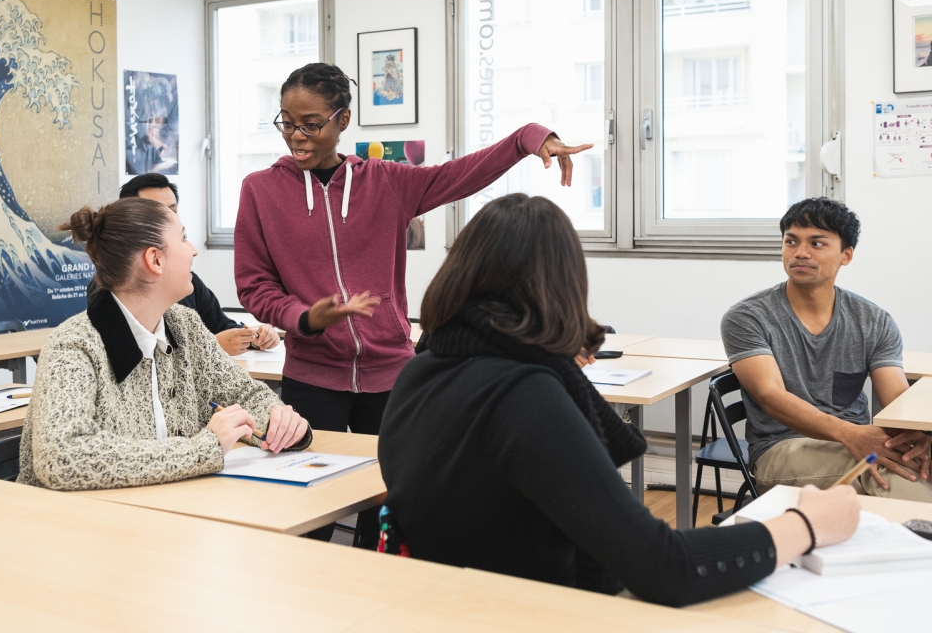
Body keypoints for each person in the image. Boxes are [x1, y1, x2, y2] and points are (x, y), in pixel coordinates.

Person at [377, 194, 861, 606]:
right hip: (534, 610)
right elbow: (663, 568)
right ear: (563, 283)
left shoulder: (422, 369)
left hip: (445, 601)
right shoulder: (525, 394)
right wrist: (805, 524)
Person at [234, 61, 593, 547]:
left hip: (391, 375)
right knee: (307, 512)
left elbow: (463, 174)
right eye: (287, 122)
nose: (296, 136)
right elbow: (254, 285)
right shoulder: (259, 190)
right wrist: (304, 318)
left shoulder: (386, 182)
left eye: (311, 124)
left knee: (391, 502)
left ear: (343, 120)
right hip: (311, 376)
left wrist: (531, 138)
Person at [18, 197, 311, 490]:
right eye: (183, 238)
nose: (194, 250)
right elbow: (61, 458)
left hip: (165, 514)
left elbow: (244, 393)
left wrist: (279, 420)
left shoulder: (185, 324)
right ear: (155, 260)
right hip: (76, 526)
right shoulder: (73, 345)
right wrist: (204, 448)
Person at [723, 198, 932, 501]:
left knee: (918, 462)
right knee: (899, 473)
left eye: (817, 243)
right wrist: (851, 435)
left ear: (846, 255)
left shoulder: (873, 320)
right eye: (791, 241)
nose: (800, 253)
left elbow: (896, 399)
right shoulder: (748, 317)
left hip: (858, 441)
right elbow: (770, 396)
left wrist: (920, 439)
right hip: (782, 449)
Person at [88, 173, 279, 357]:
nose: (168, 219)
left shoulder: (186, 288)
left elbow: (221, 325)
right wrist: (212, 345)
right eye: (156, 211)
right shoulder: (108, 290)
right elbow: (132, 357)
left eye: (172, 211)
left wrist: (253, 337)